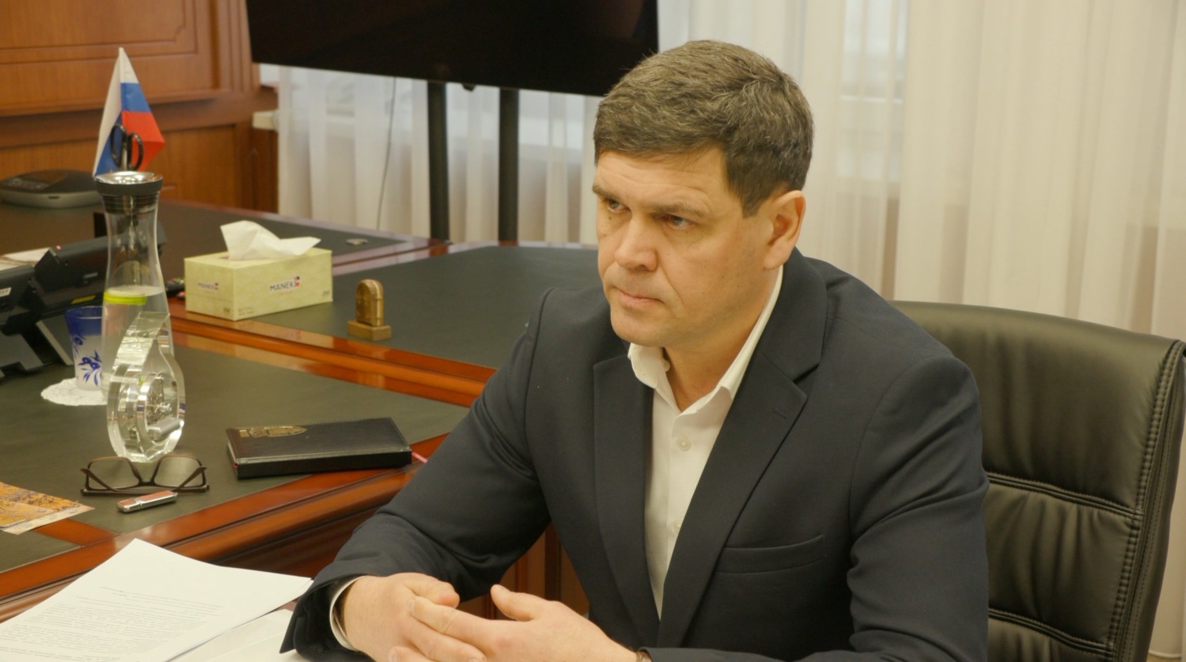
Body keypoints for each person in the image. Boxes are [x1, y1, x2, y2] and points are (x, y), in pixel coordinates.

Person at [283, 40, 989, 661]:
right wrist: (361, 604)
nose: (627, 254)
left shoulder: (901, 393)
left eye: (675, 219)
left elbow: (923, 655)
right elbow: (420, 531)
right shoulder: (563, 345)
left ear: (778, 228)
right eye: (614, 206)